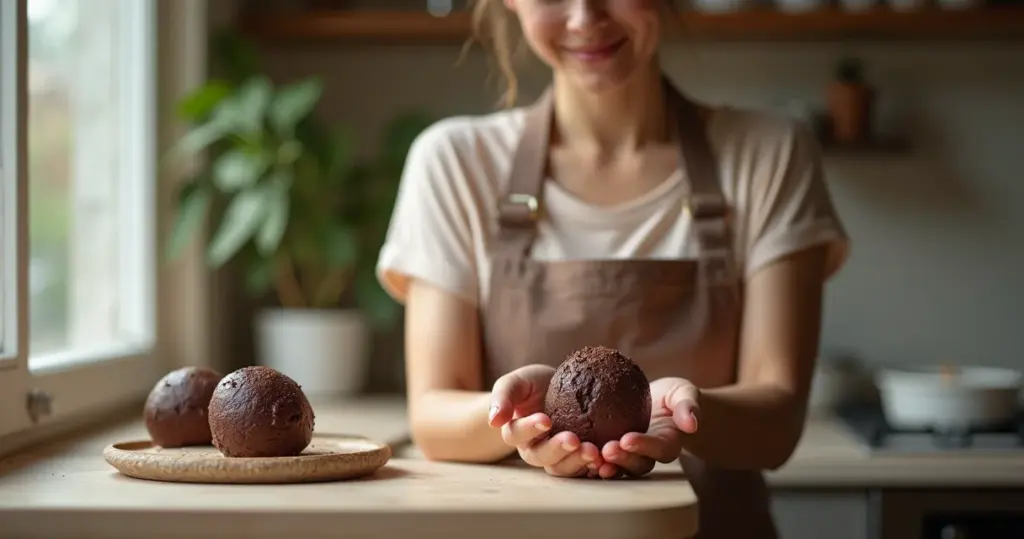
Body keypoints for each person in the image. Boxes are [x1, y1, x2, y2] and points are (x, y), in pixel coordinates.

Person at [375, 0, 850, 537]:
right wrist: (530, 418)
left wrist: (679, 413)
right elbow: (433, 416)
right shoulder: (456, 162)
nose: (584, 17)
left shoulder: (769, 155)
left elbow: (777, 419)